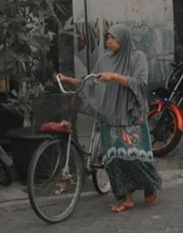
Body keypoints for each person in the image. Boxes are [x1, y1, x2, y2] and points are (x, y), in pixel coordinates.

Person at [57, 24, 162, 214]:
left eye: (113, 38)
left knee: (136, 157)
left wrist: (114, 76)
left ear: (123, 39)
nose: (108, 42)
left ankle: (149, 184)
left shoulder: (137, 57)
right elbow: (91, 82)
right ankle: (126, 198)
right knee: (113, 158)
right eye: (107, 38)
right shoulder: (104, 59)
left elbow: (140, 83)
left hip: (131, 115)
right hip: (110, 113)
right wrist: (69, 80)